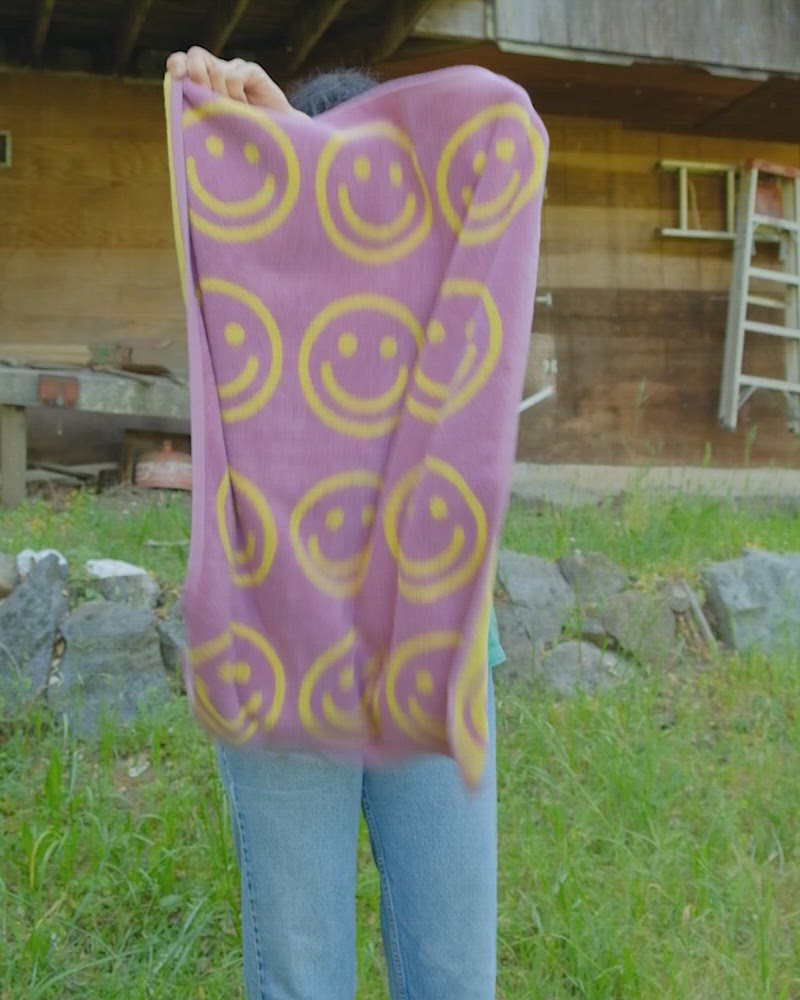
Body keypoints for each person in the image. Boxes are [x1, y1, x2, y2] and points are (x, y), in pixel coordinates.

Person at [167, 47, 506, 1000]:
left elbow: (476, 179)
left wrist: (343, 176)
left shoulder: (449, 282)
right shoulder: (252, 307)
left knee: (453, 972)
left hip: (433, 648)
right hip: (278, 639)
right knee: (302, 972)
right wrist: (272, 161)